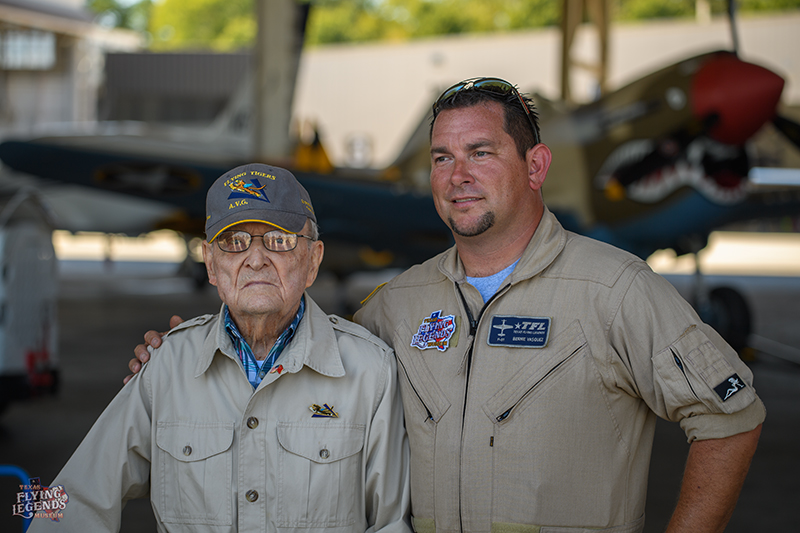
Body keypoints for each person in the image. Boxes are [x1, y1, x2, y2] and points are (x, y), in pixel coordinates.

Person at [131, 79, 764, 533]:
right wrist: (188, 359)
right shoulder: (398, 304)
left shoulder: (616, 290)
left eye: (480, 153)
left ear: (536, 164)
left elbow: (730, 417)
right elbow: (296, 384)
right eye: (442, 157)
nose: (457, 174)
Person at [32, 163, 411, 533]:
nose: (257, 258)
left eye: (280, 240)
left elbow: (392, 523)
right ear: (211, 265)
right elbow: (71, 500)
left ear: (313, 261)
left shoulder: (370, 372)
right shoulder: (166, 366)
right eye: (234, 242)